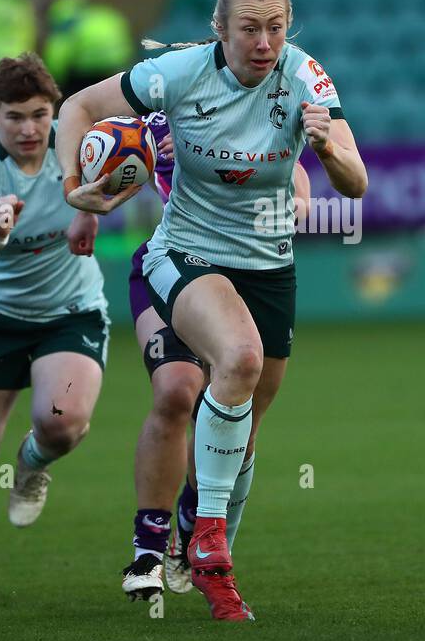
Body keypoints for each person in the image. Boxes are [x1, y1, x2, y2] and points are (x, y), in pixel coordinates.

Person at [56, 0, 368, 621]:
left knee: (242, 434)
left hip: (269, 267)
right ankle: (202, 553)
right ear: (219, 30)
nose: (264, 42)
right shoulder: (177, 75)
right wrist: (73, 189)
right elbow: (77, 108)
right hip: (186, 253)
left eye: (276, 28)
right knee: (234, 362)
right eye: (249, 29)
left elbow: (355, 183)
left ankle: (198, 535)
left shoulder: (306, 77)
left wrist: (325, 148)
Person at [0, 52, 122, 598]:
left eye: (40, 114)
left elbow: (131, 172)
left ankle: (33, 462)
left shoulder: (78, 147)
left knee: (62, 424)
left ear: (54, 112)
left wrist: (92, 210)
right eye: (15, 116)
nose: (29, 128)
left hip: (69, 312)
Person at [118, 116, 311, 602]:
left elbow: (296, 178)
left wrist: (296, 208)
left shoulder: (254, 117)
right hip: (174, 265)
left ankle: (193, 524)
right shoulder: (162, 113)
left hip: (248, 275)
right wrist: (88, 201)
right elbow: (107, 155)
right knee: (176, 391)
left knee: (239, 424)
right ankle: (148, 550)